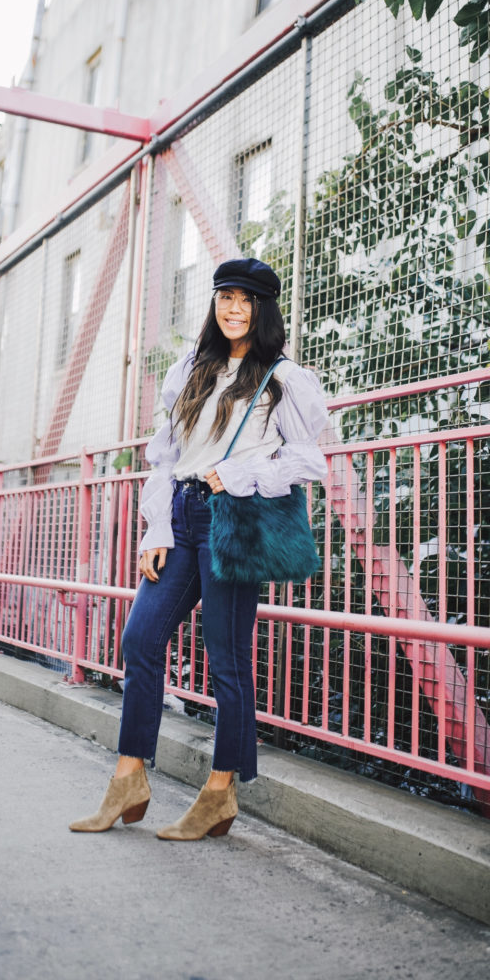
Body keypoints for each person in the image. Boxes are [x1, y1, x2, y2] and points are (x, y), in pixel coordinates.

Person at [69, 257, 328, 840]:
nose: (233, 310)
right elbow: (165, 455)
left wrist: (234, 474)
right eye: (224, 298)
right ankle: (129, 779)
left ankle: (219, 792)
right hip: (183, 516)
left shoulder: (281, 377)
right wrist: (156, 528)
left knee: (227, 659)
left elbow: (308, 459)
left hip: (232, 519)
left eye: (246, 301)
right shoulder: (194, 366)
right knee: (140, 639)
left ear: (264, 309)